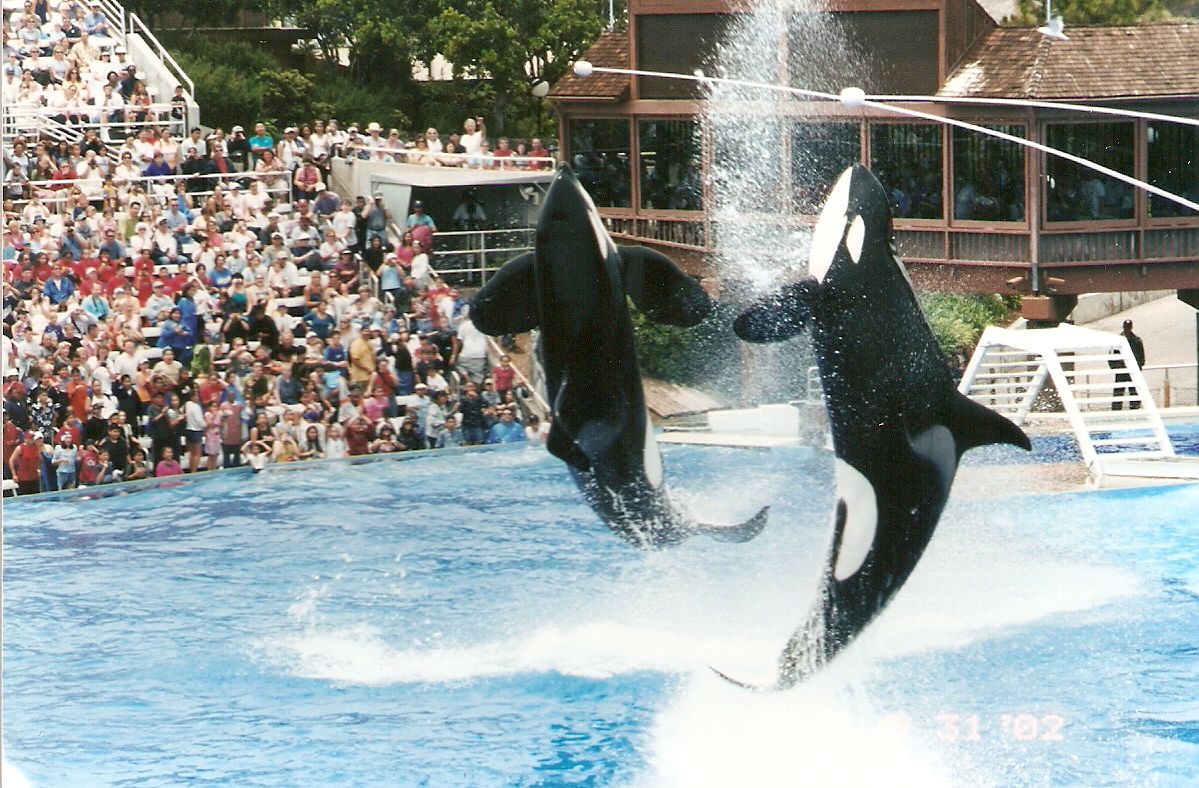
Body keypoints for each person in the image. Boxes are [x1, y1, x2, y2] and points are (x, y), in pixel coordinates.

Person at [1111, 319, 1146, 410]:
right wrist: (1115, 367)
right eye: (1126, 327)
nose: (1127, 329)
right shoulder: (1117, 340)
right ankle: (1116, 410)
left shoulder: (1137, 340)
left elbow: (1141, 356)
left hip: (1132, 370)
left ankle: (1135, 409)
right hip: (1121, 370)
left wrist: (1138, 368)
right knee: (1118, 392)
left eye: (1128, 327)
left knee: (1134, 392)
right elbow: (1112, 355)